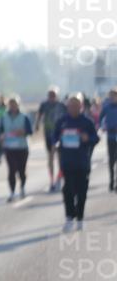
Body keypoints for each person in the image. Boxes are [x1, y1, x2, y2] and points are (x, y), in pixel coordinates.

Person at [52, 93, 100, 232]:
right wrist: (56, 143)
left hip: (82, 162)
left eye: (76, 106)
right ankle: (69, 217)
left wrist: (87, 138)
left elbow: (95, 138)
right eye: (71, 105)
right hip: (67, 162)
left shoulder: (87, 121)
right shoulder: (62, 121)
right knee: (68, 190)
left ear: (81, 106)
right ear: (67, 107)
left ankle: (80, 217)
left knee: (81, 192)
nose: (73, 108)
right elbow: (54, 137)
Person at [0, 96, 33, 201]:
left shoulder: (24, 117)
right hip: (9, 148)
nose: (13, 106)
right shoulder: (4, 117)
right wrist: (1, 136)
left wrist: (23, 132)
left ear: (18, 105)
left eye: (15, 104)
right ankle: (12, 192)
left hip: (22, 147)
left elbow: (30, 131)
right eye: (11, 104)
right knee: (12, 170)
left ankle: (22, 187)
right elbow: (0, 131)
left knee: (21, 170)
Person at [36, 87, 67, 192]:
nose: (51, 97)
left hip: (60, 134)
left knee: (60, 158)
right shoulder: (44, 105)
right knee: (50, 158)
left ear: (57, 96)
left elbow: (67, 117)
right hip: (48, 134)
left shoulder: (62, 105)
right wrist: (37, 125)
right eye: (50, 95)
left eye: (53, 95)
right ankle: (52, 180)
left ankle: (59, 178)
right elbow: (39, 115)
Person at [99, 87, 117, 192]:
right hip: (110, 136)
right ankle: (111, 181)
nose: (112, 97)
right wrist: (102, 127)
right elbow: (100, 120)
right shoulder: (106, 107)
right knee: (111, 160)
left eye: (114, 95)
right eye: (111, 95)